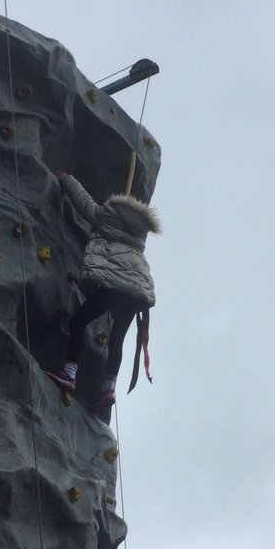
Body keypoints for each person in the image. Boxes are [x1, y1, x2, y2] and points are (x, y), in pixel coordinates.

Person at [46, 170, 160, 412]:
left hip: (113, 285)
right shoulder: (140, 231)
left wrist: (67, 179)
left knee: (78, 321)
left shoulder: (108, 215)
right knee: (116, 339)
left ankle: (70, 372)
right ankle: (109, 388)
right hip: (136, 291)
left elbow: (84, 204)